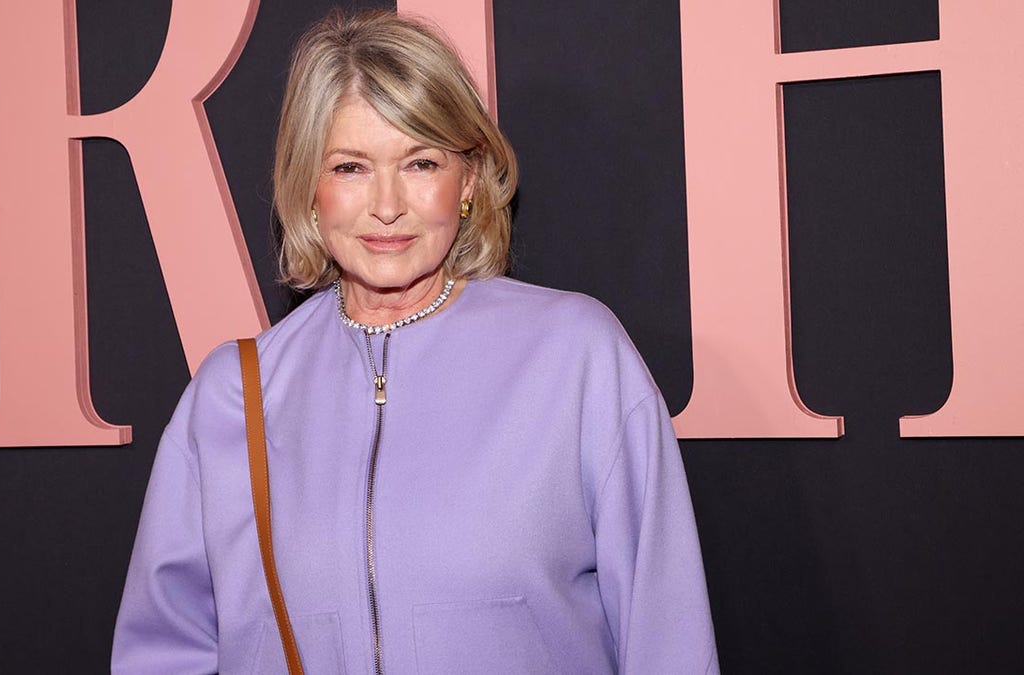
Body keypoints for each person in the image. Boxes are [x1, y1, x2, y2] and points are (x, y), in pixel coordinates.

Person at [113, 9, 717, 674]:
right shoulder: (233, 395)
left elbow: (667, 639)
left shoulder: (576, 357)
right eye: (350, 167)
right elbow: (164, 653)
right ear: (309, 188)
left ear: (468, 180)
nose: (388, 204)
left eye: (421, 161)